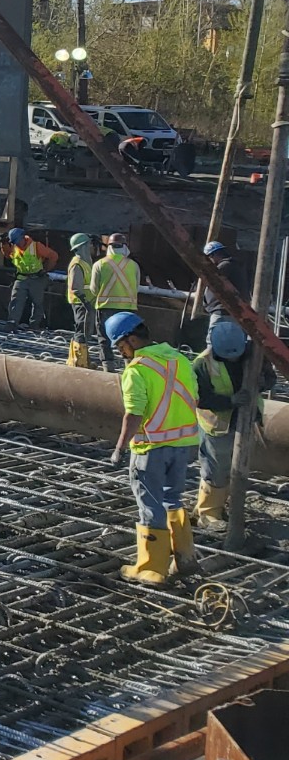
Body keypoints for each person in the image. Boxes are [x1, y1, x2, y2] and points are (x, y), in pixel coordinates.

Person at [107, 311, 203, 584]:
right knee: (173, 499)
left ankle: (151, 568)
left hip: (151, 447)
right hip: (183, 444)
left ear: (133, 339)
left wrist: (119, 448)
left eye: (120, 345)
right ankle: (185, 558)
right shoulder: (179, 359)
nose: (120, 352)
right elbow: (194, 395)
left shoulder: (136, 370)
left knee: (149, 504)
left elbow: (133, 414)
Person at [193, 318, 250, 527]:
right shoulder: (202, 364)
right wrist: (230, 401)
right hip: (217, 425)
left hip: (244, 421)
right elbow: (199, 398)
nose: (234, 360)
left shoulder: (250, 353)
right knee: (215, 468)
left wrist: (262, 382)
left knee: (233, 468)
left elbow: (269, 376)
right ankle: (207, 514)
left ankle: (216, 506)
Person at [90, 234, 140, 372]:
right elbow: (136, 288)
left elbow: (94, 290)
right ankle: (129, 367)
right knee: (128, 340)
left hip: (105, 307)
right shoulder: (133, 265)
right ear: (124, 247)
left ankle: (108, 369)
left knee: (104, 339)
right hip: (128, 309)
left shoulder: (99, 264)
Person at [1, 226, 59, 329]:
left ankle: (35, 325)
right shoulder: (13, 247)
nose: (18, 244)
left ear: (24, 237)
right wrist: (3, 247)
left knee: (37, 303)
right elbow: (8, 255)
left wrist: (46, 269)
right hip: (21, 278)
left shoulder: (36, 246)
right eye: (15, 242)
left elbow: (53, 256)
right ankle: (12, 323)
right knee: (16, 300)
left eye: (19, 241)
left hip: (36, 278)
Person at [66, 233, 104, 356]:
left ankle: (83, 358)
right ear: (83, 246)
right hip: (81, 303)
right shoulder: (77, 264)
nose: (91, 247)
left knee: (86, 332)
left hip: (87, 302)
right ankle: (78, 359)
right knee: (81, 331)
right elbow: (75, 287)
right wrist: (85, 302)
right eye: (89, 244)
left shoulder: (86, 262)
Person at [202, 239, 236, 321]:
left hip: (222, 313)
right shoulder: (230, 266)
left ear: (214, 255)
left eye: (209, 257)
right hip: (228, 313)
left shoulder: (224, 267)